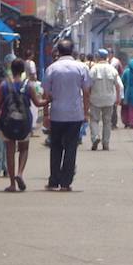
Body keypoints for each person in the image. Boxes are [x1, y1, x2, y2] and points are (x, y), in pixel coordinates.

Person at [42, 38, 91, 191]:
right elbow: (86, 91)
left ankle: (54, 180)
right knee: (71, 148)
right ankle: (65, 182)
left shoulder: (52, 68)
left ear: (58, 51)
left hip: (56, 113)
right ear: (72, 50)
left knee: (55, 147)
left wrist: (45, 115)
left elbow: (46, 94)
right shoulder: (81, 68)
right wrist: (85, 112)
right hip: (74, 114)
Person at [0, 58, 38, 192]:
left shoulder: (3, 85)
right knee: (24, 148)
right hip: (24, 123)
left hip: (7, 122)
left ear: (11, 69)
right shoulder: (29, 86)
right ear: (23, 71)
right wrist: (49, 100)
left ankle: (12, 184)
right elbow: (38, 103)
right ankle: (19, 174)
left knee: (10, 151)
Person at [87, 48, 121, 151]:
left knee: (94, 120)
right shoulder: (112, 69)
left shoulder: (93, 69)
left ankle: (95, 137)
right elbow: (118, 86)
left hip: (95, 99)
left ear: (97, 57)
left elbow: (88, 85)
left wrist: (87, 97)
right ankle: (105, 143)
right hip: (109, 99)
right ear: (106, 57)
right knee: (107, 122)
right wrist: (118, 98)